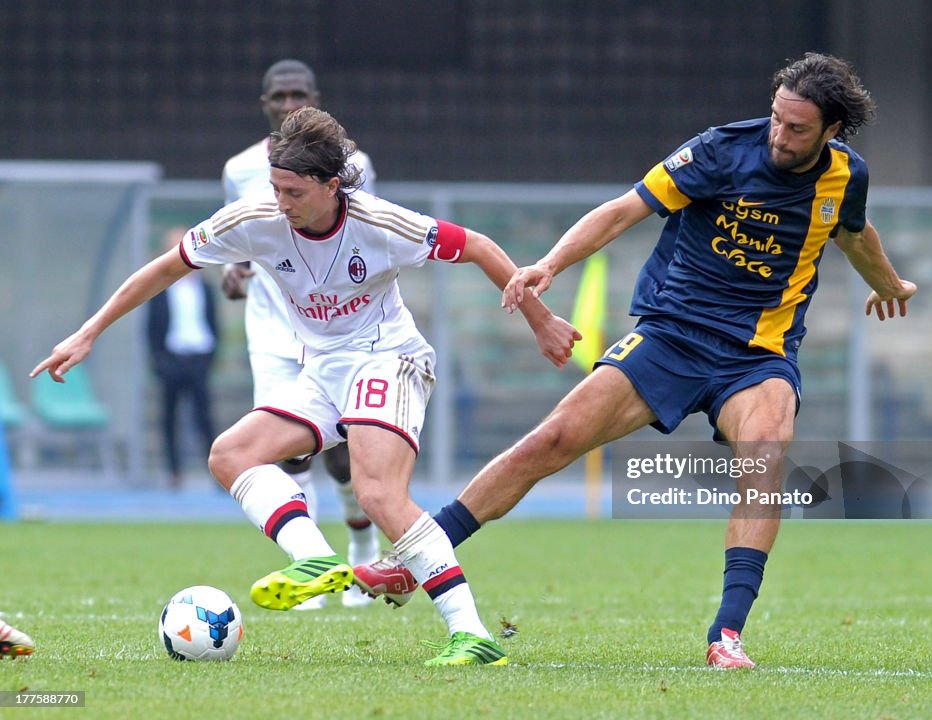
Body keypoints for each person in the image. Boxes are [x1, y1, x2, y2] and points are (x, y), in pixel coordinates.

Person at [352, 52, 917, 668]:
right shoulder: (720, 151)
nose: (779, 134)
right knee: (551, 440)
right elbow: (622, 210)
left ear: (832, 131)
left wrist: (888, 284)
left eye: (797, 128)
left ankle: (726, 636)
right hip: (673, 336)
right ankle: (418, 559)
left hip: (759, 354)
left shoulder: (845, 176)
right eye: (777, 118)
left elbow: (855, 234)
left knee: (765, 458)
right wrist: (549, 264)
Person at [31, 106, 580, 667]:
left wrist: (540, 321)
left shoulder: (381, 224)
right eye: (275, 188)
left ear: (332, 186)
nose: (281, 203)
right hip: (321, 369)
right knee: (231, 454)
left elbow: (482, 248)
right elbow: (168, 266)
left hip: (389, 360)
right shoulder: (253, 219)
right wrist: (88, 331)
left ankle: (472, 634)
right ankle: (315, 557)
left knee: (376, 493)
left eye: (293, 192)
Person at [221, 59, 378, 609]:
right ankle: (309, 565)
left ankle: (361, 542)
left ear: (315, 96)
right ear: (264, 103)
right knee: (284, 455)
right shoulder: (240, 169)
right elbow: (238, 241)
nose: (288, 103)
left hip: (335, 331)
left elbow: (361, 236)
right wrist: (234, 272)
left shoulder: (354, 165)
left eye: (298, 94)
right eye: (278, 96)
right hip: (271, 330)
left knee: (342, 455)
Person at [146, 226, 220, 489]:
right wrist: (159, 360)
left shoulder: (206, 287)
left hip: (199, 357)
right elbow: (152, 327)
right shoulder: (160, 289)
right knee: (170, 418)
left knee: (205, 418)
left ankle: (215, 470)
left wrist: (211, 355)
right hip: (172, 358)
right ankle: (174, 472)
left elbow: (213, 322)